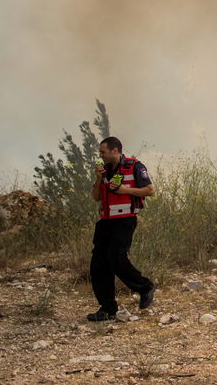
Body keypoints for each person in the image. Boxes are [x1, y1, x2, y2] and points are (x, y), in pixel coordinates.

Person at [86, 136, 157, 321]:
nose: (100, 155)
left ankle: (145, 287)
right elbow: (95, 197)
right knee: (98, 265)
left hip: (125, 219)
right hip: (106, 221)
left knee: (116, 257)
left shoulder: (134, 166)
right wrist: (98, 178)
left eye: (103, 152)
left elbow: (150, 190)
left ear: (115, 151)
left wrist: (126, 190)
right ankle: (108, 308)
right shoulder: (105, 170)